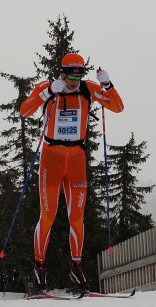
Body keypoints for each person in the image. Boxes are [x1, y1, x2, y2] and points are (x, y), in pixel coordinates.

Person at [19, 53, 124, 294]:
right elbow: (24, 111)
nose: (76, 79)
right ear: (63, 72)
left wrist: (108, 84)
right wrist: (46, 94)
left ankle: (76, 268)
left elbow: (117, 107)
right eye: (72, 73)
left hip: (76, 158)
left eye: (80, 73)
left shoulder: (88, 89)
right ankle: (39, 269)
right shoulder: (48, 87)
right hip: (51, 158)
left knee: (77, 216)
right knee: (48, 215)